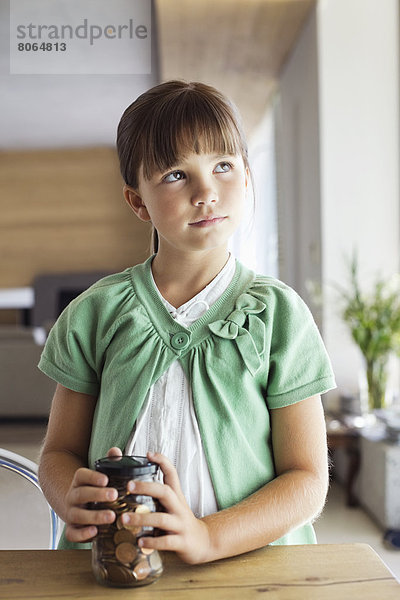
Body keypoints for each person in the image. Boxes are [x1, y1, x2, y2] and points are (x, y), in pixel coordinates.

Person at [38, 80, 336, 565]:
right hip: (115, 564)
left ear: (245, 176)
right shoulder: (95, 314)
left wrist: (209, 537)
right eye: (176, 175)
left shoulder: (281, 315)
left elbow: (306, 480)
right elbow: (58, 453)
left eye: (223, 166)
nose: (206, 192)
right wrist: (67, 492)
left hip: (249, 569)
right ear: (138, 202)